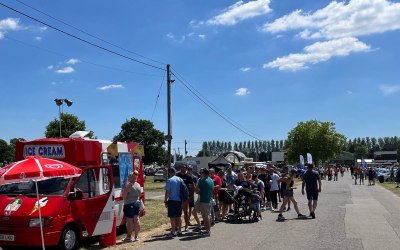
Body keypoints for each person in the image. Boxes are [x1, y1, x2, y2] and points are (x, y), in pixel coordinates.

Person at [122, 171, 143, 242]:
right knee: (136, 220)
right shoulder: (138, 185)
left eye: (129, 176)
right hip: (137, 204)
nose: (128, 177)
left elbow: (124, 197)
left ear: (131, 177)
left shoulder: (128, 185)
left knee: (130, 221)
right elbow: (140, 196)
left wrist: (125, 191)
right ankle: (136, 236)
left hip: (129, 204)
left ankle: (129, 237)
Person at [194, 168, 214, 236]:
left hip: (204, 200)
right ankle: (207, 230)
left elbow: (197, 191)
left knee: (205, 217)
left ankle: (207, 231)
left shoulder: (202, 181)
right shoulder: (211, 180)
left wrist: (194, 187)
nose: (200, 174)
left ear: (204, 173)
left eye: (201, 172)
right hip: (209, 199)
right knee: (208, 216)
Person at [164, 168, 183, 237]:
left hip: (172, 200)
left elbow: (167, 192)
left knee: (172, 217)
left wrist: (165, 201)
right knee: (179, 216)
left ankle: (173, 231)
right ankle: (180, 230)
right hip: (179, 200)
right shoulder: (180, 179)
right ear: (175, 172)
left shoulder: (169, 180)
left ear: (169, 173)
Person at [176, 164, 194, 231]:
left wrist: (191, 196)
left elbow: (192, 187)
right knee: (178, 212)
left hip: (186, 196)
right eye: (181, 167)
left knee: (186, 212)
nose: (183, 169)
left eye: (184, 167)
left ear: (186, 168)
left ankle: (186, 225)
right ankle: (177, 226)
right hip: (178, 196)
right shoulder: (177, 176)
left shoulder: (189, 177)